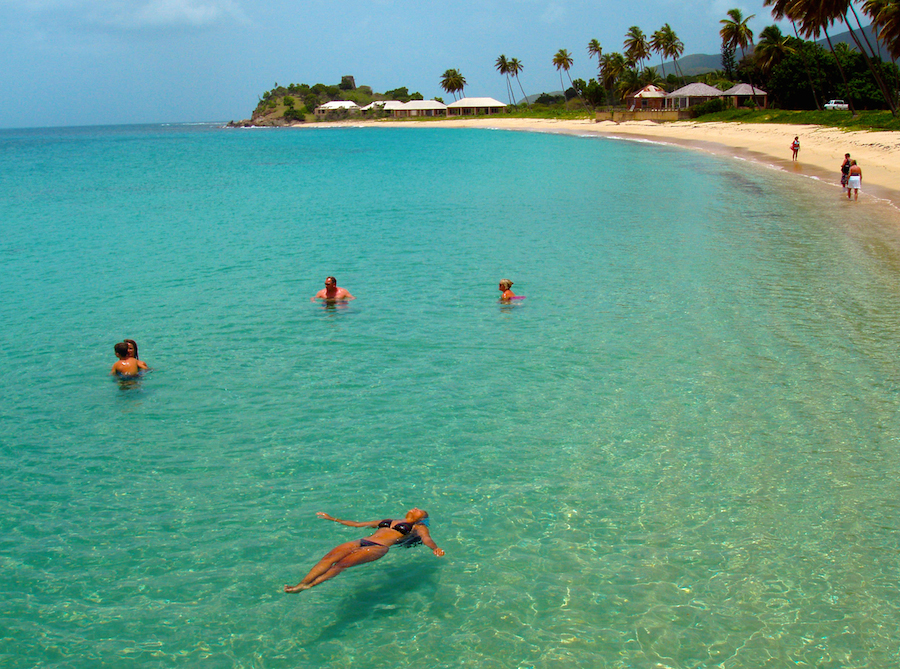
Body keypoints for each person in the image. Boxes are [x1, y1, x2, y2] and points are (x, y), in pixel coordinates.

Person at [284, 508, 444, 593]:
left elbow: (426, 539)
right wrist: (332, 518)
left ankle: (310, 585)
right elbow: (357, 524)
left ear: (421, 518)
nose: (415, 508)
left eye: (419, 510)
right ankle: (301, 583)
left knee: (340, 565)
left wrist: (435, 548)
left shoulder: (418, 527)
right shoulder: (389, 520)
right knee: (328, 558)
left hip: (378, 547)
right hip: (361, 541)